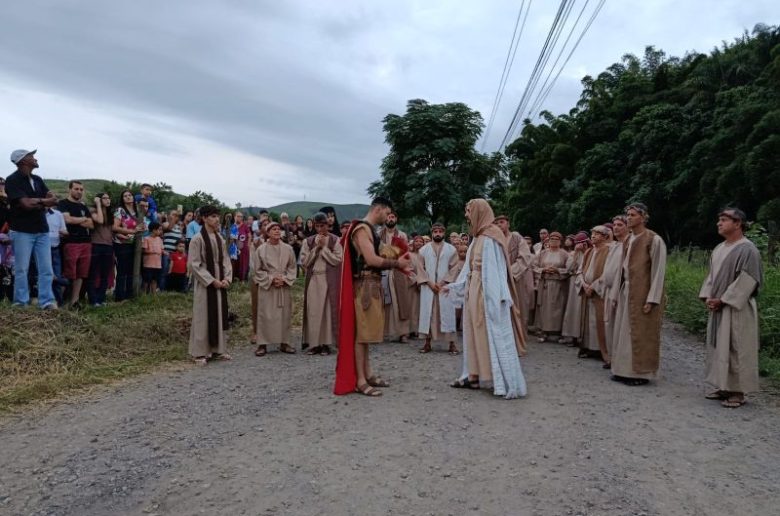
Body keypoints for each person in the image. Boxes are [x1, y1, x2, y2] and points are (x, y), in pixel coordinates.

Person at [444, 199, 527, 399]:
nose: (466, 216)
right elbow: (469, 268)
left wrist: (495, 299)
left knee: (489, 333)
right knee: (472, 334)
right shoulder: (478, 238)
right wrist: (455, 286)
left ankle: (501, 381)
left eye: (469, 212)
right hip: (473, 290)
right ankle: (472, 375)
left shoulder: (491, 237)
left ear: (479, 212)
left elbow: (495, 272)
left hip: (486, 293)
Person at [334, 197, 412, 397]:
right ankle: (360, 380)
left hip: (372, 285)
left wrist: (398, 253)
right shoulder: (361, 230)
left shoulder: (370, 230)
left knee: (366, 334)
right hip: (364, 287)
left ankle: (367, 373)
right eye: (387, 213)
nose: (388, 217)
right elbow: (370, 259)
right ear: (379, 209)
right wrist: (397, 264)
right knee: (361, 335)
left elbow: (381, 253)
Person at [699, 208, 763, 408]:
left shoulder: (747, 249)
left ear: (738, 223)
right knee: (719, 346)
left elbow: (748, 279)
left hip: (737, 307)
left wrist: (723, 299)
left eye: (724, 219)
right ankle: (723, 385)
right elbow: (712, 277)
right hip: (718, 305)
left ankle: (738, 392)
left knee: (737, 347)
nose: (719, 223)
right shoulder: (719, 248)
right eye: (719, 219)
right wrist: (708, 296)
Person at [611, 203, 667, 386]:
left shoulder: (653, 239)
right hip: (627, 290)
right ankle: (622, 369)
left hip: (643, 292)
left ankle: (640, 373)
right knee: (623, 331)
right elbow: (621, 268)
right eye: (628, 214)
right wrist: (616, 293)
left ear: (643, 217)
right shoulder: (628, 240)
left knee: (641, 332)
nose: (629, 218)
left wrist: (652, 298)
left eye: (633, 215)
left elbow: (658, 271)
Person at [4, 150, 58, 308]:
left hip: (42, 230)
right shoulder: (12, 180)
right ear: (23, 161)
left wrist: (38, 201)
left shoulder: (38, 179)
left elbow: (52, 200)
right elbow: (26, 204)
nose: (35, 158)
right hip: (21, 231)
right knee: (21, 268)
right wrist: (43, 201)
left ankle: (46, 302)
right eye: (31, 156)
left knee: (46, 269)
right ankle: (21, 302)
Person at [188, 205, 232, 366]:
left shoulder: (220, 238)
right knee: (203, 315)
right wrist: (212, 280)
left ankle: (218, 349)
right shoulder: (197, 239)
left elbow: (226, 260)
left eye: (217, 216)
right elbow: (194, 264)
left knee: (219, 314)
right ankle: (199, 351)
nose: (216, 219)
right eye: (212, 216)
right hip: (205, 283)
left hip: (220, 281)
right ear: (204, 218)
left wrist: (227, 278)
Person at [300, 212, 343, 355]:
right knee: (313, 312)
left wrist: (324, 248)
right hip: (313, 279)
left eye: (322, 226)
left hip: (328, 279)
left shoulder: (335, 240)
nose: (320, 229)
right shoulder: (308, 241)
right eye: (317, 226)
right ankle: (314, 344)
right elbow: (304, 262)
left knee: (327, 312)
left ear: (327, 225)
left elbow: (338, 259)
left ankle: (326, 344)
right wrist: (316, 248)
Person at [253, 222, 298, 356]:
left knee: (284, 315)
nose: (277, 231)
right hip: (268, 287)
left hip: (283, 286)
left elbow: (292, 267)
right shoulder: (261, 249)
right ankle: (262, 344)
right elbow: (257, 269)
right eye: (274, 229)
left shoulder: (288, 249)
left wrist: (284, 279)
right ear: (268, 232)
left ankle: (285, 343)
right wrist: (271, 279)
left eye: (279, 229)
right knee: (265, 315)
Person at [416, 223, 460, 355]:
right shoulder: (423, 250)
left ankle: (452, 344)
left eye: (440, 231)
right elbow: (420, 268)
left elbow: (454, 267)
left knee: (447, 314)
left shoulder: (451, 249)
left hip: (444, 287)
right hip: (428, 287)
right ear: (432, 233)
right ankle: (427, 343)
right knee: (428, 314)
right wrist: (429, 283)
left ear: (444, 233)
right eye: (435, 231)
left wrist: (442, 282)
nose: (438, 233)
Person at [495, 215, 533, 341]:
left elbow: (524, 257)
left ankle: (519, 340)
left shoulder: (517, 239)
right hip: (498, 280)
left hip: (516, 279)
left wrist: (509, 271)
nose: (500, 225)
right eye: (497, 223)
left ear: (508, 224)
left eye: (502, 222)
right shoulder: (494, 240)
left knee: (518, 308)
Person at [578, 225, 612, 364]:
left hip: (600, 291)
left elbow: (608, 273)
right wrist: (584, 284)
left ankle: (601, 350)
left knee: (599, 320)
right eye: (592, 234)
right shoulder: (589, 252)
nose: (593, 236)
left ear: (605, 236)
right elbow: (580, 270)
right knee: (587, 321)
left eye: (597, 234)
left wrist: (594, 286)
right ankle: (589, 347)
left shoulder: (609, 251)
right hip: (587, 289)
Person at [58, 181, 94, 309]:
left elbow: (91, 224)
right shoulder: (63, 204)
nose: (79, 191)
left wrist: (77, 220)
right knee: (68, 273)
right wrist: (83, 219)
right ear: (70, 189)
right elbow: (67, 220)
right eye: (76, 188)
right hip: (70, 242)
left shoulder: (84, 207)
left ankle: (74, 301)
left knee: (81, 274)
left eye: (81, 189)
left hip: (86, 242)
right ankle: (60, 301)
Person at [380, 210, 412, 342]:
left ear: (396, 219)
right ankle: (383, 332)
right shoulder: (378, 235)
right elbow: (377, 252)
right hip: (383, 270)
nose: (390, 219)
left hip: (398, 271)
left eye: (393, 217)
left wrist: (390, 254)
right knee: (383, 302)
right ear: (385, 219)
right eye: (388, 217)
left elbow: (405, 253)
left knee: (400, 302)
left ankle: (402, 333)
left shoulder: (402, 235)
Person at [532, 232, 569, 342]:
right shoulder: (542, 253)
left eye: (556, 239)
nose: (553, 240)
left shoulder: (564, 254)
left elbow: (570, 269)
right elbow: (534, 266)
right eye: (552, 238)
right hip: (545, 283)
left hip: (558, 284)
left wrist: (558, 270)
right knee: (544, 308)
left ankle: (557, 331)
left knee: (557, 308)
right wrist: (543, 270)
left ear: (560, 241)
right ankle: (543, 331)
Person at [113, 190, 142, 301]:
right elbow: (114, 227)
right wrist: (132, 231)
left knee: (131, 270)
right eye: (125, 196)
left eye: (130, 195)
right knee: (122, 270)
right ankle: (119, 297)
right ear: (122, 199)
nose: (128, 197)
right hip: (122, 243)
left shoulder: (137, 211)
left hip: (134, 244)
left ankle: (129, 295)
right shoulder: (120, 210)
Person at [561, 231, 590, 346]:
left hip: (585, 282)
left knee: (582, 311)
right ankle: (572, 335)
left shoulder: (590, 252)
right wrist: (576, 253)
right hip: (574, 282)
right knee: (573, 309)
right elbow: (569, 268)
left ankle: (583, 337)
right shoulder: (573, 254)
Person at [87, 193, 114, 306]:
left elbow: (111, 229)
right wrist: (98, 204)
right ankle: (93, 299)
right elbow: (100, 221)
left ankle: (101, 298)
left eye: (109, 198)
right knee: (92, 273)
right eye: (105, 198)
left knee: (105, 274)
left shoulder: (110, 214)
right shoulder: (93, 210)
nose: (108, 200)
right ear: (98, 199)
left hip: (108, 245)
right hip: (96, 244)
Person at [45, 206, 68, 306]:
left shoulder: (57, 214)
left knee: (56, 277)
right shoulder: (34, 214)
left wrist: (64, 233)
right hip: (39, 250)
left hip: (55, 249)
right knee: (43, 276)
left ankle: (59, 303)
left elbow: (64, 231)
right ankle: (45, 302)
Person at [160, 210, 182, 291]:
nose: (175, 216)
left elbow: (180, 239)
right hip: (166, 252)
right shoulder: (165, 223)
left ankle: (169, 289)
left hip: (175, 253)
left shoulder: (178, 226)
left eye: (176, 215)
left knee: (172, 272)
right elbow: (169, 228)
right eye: (173, 214)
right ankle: (162, 289)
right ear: (169, 215)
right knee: (164, 271)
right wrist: (173, 219)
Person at [142, 222, 164, 294]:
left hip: (157, 264)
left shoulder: (160, 239)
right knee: (146, 280)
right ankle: (144, 294)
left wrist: (163, 252)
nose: (160, 231)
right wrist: (153, 252)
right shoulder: (146, 239)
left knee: (155, 280)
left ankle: (153, 294)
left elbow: (162, 249)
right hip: (148, 264)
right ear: (154, 230)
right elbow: (144, 250)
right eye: (159, 229)